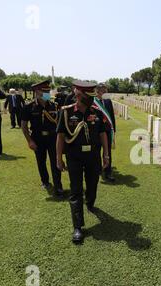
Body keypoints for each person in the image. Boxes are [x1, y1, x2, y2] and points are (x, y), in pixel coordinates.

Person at [56, 80, 109, 244]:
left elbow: (102, 134)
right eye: (88, 96)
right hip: (74, 157)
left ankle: (90, 202)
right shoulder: (66, 113)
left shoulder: (97, 112)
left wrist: (106, 154)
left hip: (93, 156)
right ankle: (78, 227)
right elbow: (60, 136)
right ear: (78, 95)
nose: (92, 99)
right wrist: (58, 158)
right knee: (76, 189)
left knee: (92, 185)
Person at [21, 80, 64, 196]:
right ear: (36, 91)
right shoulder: (29, 107)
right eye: (44, 91)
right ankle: (45, 181)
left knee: (55, 161)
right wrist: (29, 141)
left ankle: (58, 185)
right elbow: (24, 126)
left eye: (48, 91)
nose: (47, 93)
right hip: (37, 139)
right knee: (41, 161)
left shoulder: (54, 106)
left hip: (52, 138)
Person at [94, 83, 116, 182]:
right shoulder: (93, 102)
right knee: (96, 150)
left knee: (108, 152)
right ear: (98, 91)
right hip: (96, 131)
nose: (106, 93)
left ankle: (108, 171)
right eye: (105, 91)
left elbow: (111, 116)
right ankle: (98, 170)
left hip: (107, 130)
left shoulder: (108, 102)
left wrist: (113, 130)